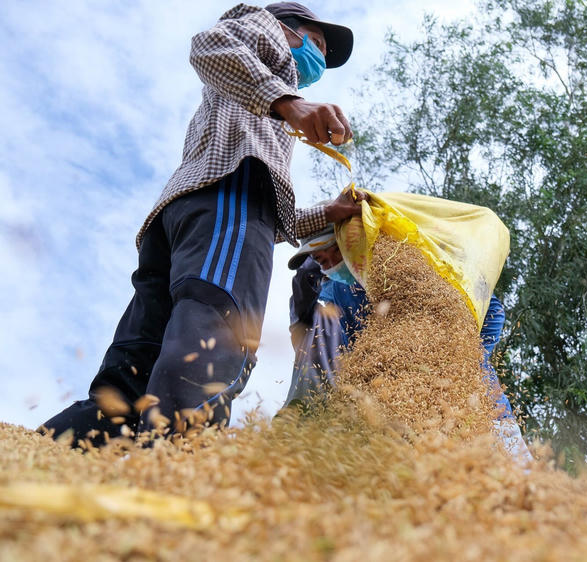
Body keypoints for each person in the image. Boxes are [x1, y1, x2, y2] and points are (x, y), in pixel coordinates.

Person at [41, 2, 366, 447]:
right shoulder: (264, 30)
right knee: (215, 339)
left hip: (188, 219)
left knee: (133, 375)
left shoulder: (255, 102)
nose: (319, 61)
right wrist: (290, 103)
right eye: (319, 43)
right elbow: (210, 45)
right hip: (225, 201)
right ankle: (173, 479)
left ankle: (44, 457)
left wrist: (327, 213)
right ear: (290, 29)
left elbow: (266, 220)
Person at [284, 226, 534, 463]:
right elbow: (337, 356)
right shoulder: (336, 293)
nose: (328, 265)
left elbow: (492, 311)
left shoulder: (408, 264)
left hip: (483, 409)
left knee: (519, 487)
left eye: (331, 253)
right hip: (405, 420)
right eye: (320, 260)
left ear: (349, 242)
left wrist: (461, 363)